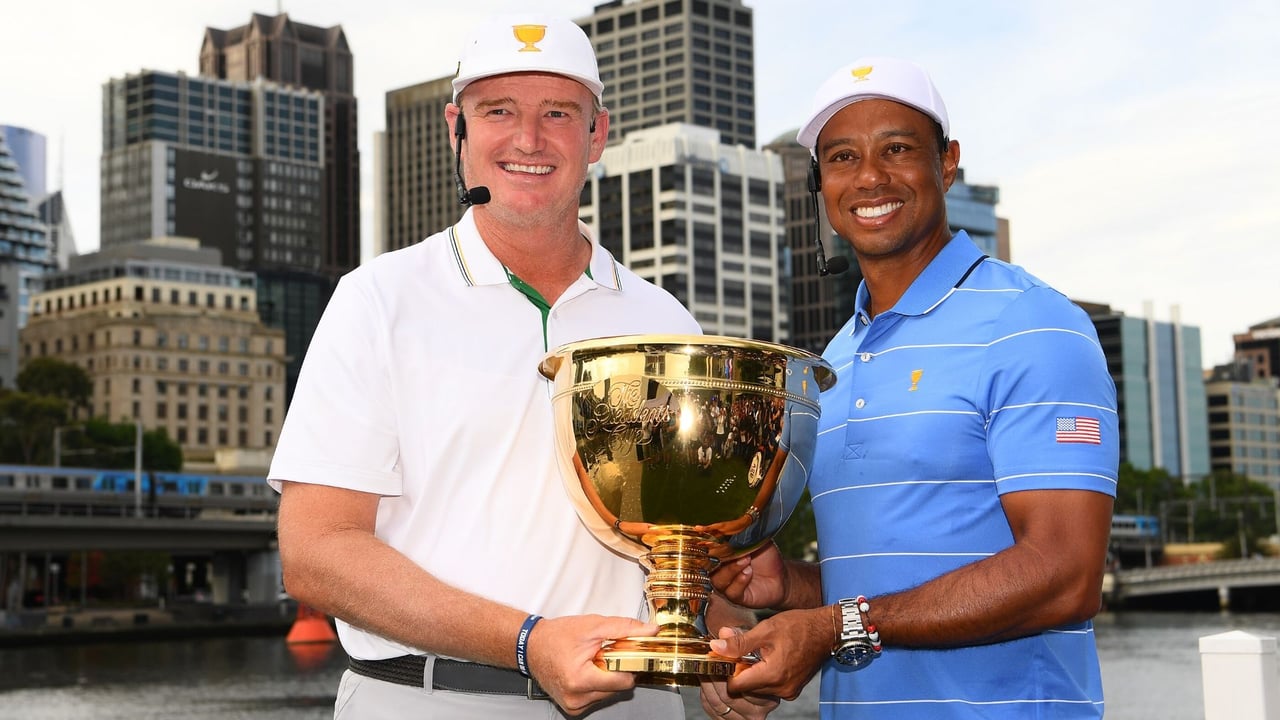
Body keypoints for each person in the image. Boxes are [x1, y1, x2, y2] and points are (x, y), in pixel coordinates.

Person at [268, 14, 705, 719]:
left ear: (597, 134)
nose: (528, 139)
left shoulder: (668, 321)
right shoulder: (377, 300)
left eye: (557, 113)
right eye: (497, 111)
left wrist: (723, 642)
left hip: (636, 703)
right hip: (425, 699)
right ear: (456, 131)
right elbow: (316, 550)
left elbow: (685, 544)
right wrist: (529, 642)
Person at [701, 57, 1119, 719]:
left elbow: (1066, 576)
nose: (870, 177)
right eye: (842, 157)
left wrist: (833, 627)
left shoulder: (1032, 324)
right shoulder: (833, 363)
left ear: (947, 162)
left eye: (896, 149)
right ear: (822, 184)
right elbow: (883, 592)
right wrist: (794, 590)